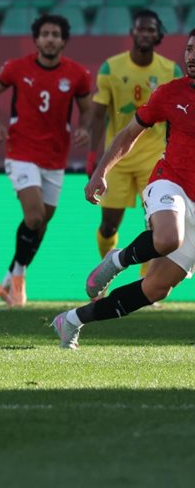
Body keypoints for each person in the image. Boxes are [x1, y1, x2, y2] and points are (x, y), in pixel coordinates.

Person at [53, 29, 195, 349]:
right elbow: (129, 133)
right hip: (170, 182)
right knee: (168, 238)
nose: (192, 56)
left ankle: (72, 320)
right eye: (189, 49)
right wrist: (100, 172)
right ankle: (115, 261)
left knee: (156, 289)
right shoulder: (171, 93)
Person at [0, 14, 94, 307]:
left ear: (63, 41)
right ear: (36, 39)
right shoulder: (16, 68)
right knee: (34, 217)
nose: (50, 39)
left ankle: (8, 281)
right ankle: (19, 280)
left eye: (56, 34)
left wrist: (84, 128)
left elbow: (86, 108)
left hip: (55, 157)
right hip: (21, 151)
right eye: (45, 34)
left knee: (41, 223)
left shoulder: (78, 74)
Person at [86, 10, 181, 266]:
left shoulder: (170, 69)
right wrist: (93, 157)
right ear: (132, 32)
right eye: (141, 29)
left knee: (158, 227)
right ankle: (106, 269)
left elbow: (177, 117)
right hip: (118, 158)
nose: (145, 34)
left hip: (153, 159)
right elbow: (99, 115)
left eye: (150, 29)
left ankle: (146, 278)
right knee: (108, 226)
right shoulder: (111, 67)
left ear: (158, 35)